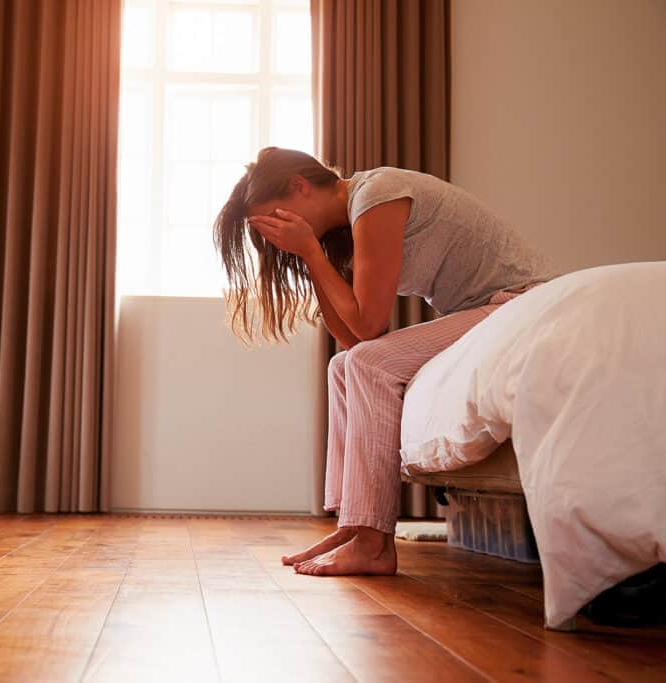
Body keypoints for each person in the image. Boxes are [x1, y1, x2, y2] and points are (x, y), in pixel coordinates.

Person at [211, 146, 562, 576]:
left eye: (277, 220)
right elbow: (351, 338)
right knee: (344, 365)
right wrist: (310, 256)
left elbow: (371, 324)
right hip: (491, 311)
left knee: (369, 364)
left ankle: (374, 542)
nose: (275, 238)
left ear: (300, 187)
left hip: (521, 303)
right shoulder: (353, 222)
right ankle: (354, 526)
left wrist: (312, 254)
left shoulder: (377, 195)